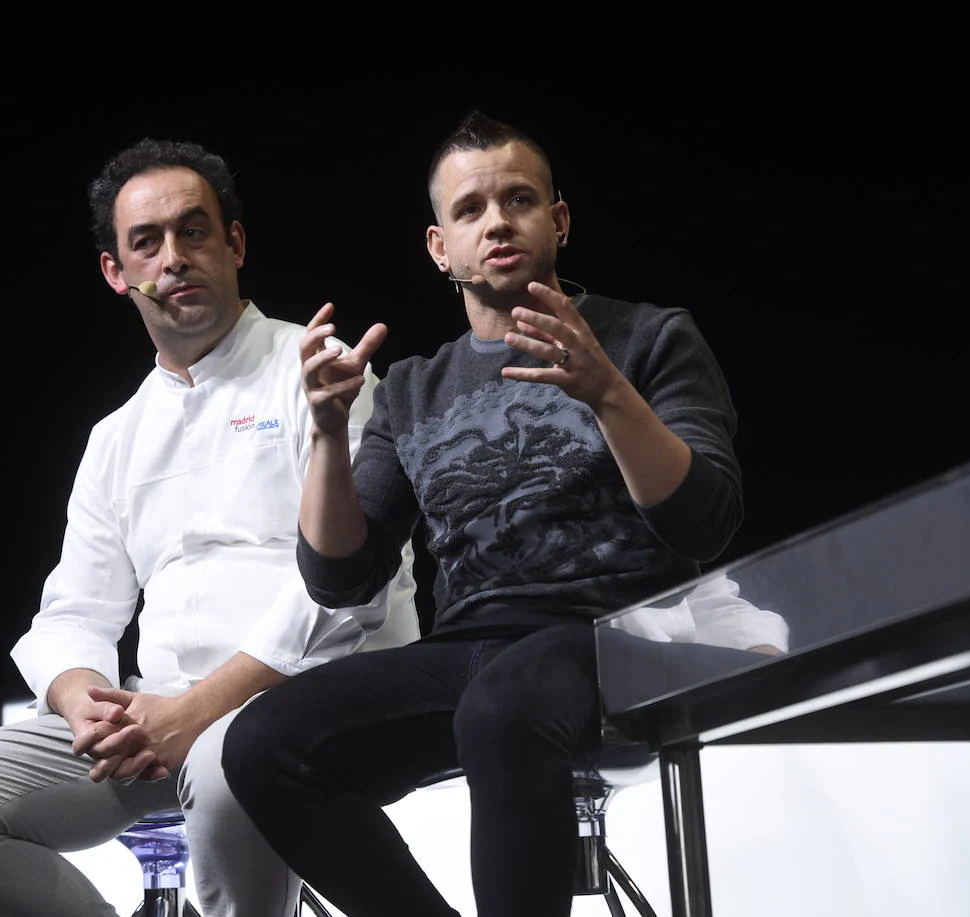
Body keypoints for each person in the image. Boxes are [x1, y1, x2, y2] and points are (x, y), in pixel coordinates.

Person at [223, 110, 746, 917]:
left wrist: (607, 391)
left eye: (519, 200)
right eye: (470, 209)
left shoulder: (647, 339)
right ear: (441, 248)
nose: (496, 221)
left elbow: (705, 521)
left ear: (558, 220)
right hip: (473, 649)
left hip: (626, 636)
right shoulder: (411, 389)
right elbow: (339, 577)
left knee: (502, 705)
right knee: (261, 743)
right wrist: (327, 432)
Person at [0, 137, 419, 917]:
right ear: (117, 272)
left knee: (228, 762)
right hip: (158, 720)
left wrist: (195, 711)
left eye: (194, 231)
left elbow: (345, 597)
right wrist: (83, 702)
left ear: (233, 243)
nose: (174, 257)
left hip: (315, 701)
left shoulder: (319, 370)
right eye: (147, 242)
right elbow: (74, 611)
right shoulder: (117, 434)